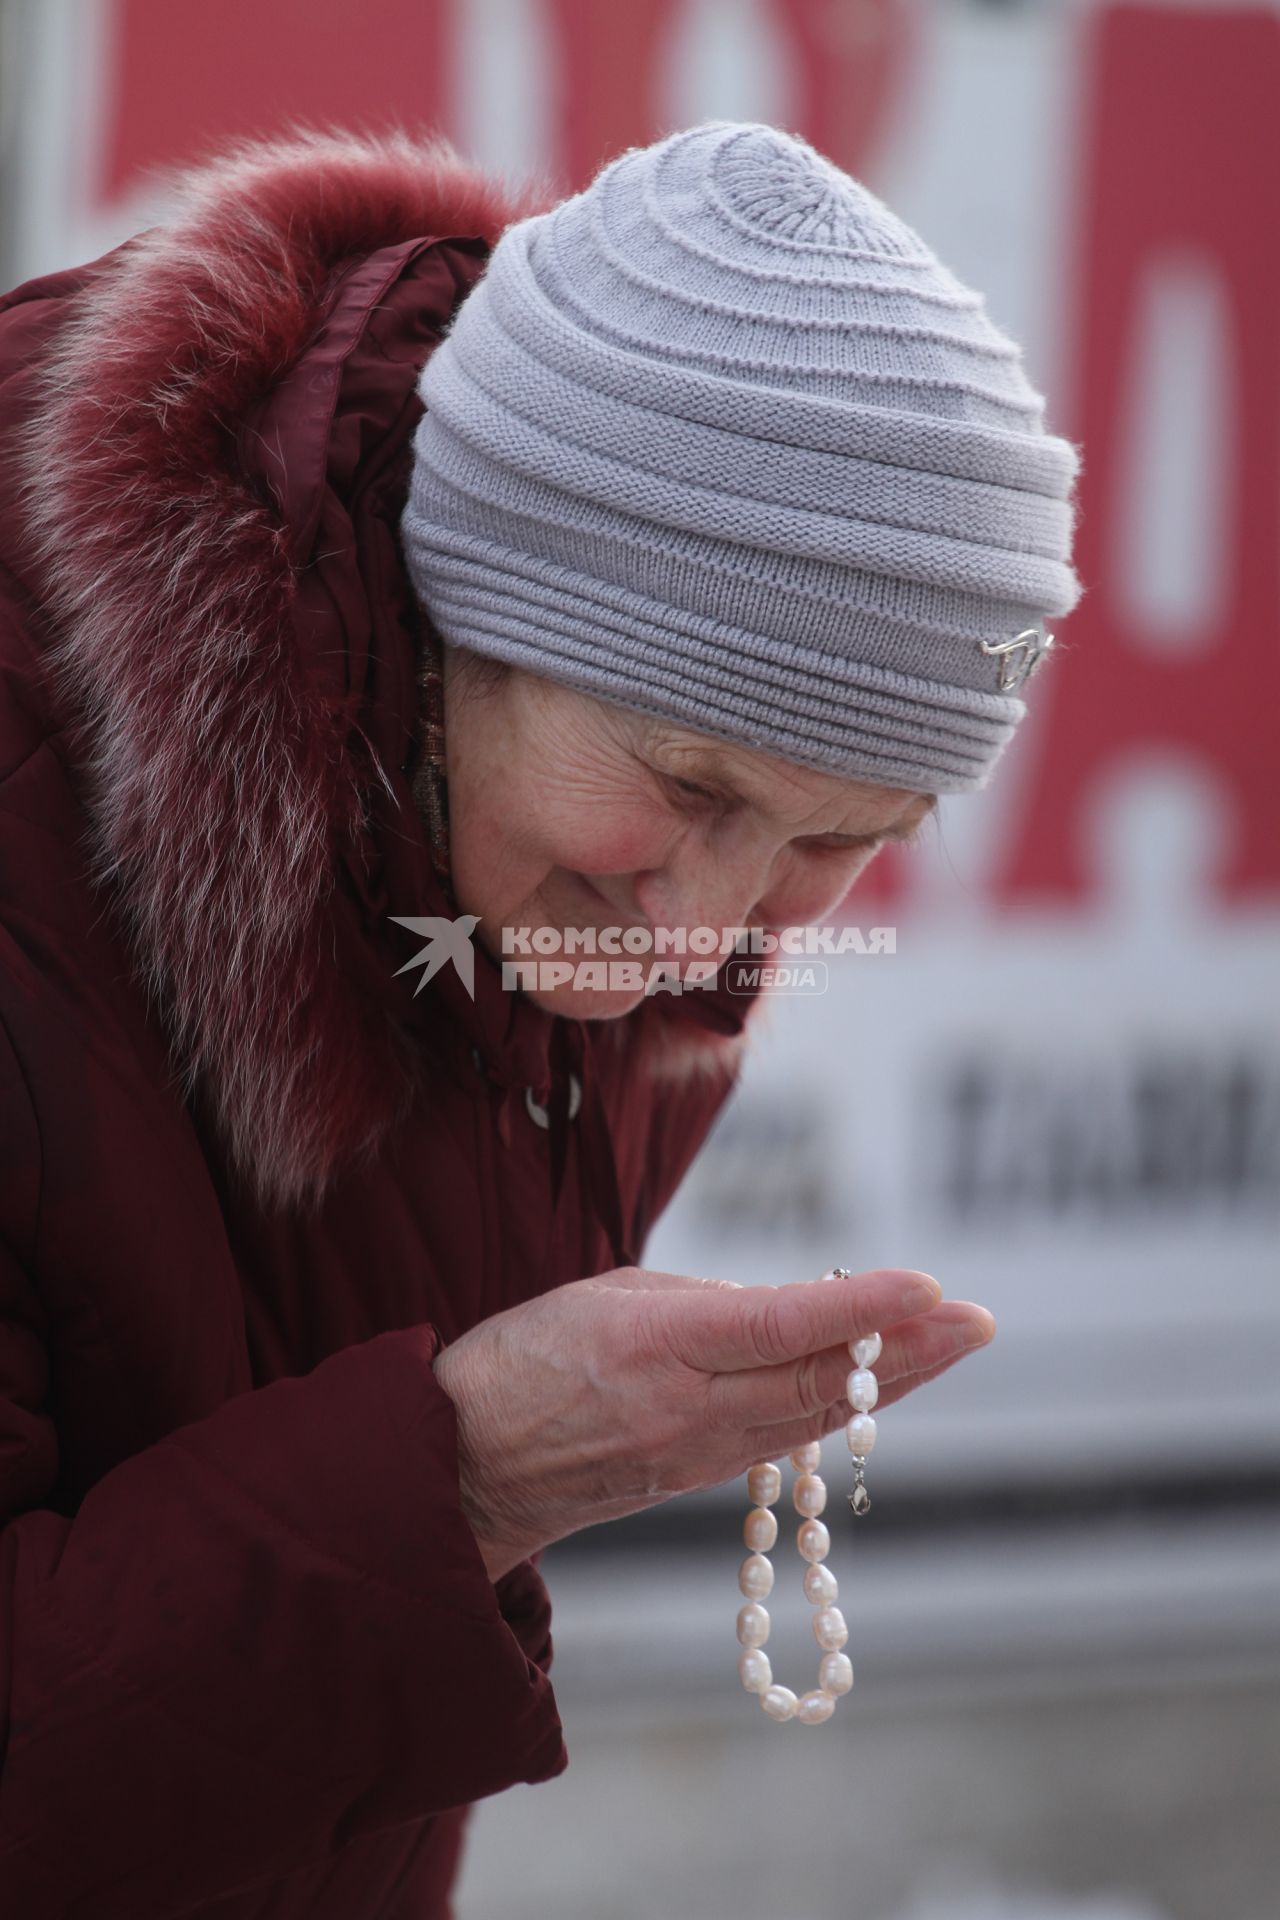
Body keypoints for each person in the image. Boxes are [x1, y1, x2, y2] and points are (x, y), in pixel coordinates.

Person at [0, 119, 1081, 1917]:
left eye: (843, 841)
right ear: (457, 599)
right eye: (685, 781)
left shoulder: (558, 895)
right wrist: (459, 1484)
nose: (711, 931)